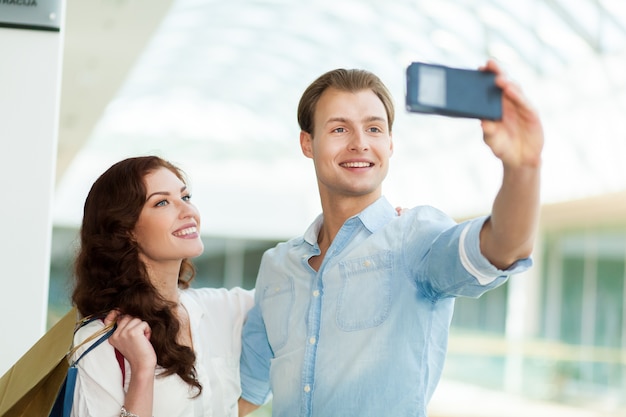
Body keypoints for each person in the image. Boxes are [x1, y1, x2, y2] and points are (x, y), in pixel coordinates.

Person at [238, 59, 543, 417]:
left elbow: (502, 248)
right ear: (308, 142)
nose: (360, 144)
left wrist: (522, 166)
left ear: (391, 143)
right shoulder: (277, 266)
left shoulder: (416, 237)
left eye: (374, 129)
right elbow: (245, 395)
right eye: (339, 129)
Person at [70, 156, 254, 417]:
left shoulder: (222, 309)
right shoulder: (103, 339)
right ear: (126, 230)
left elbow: (302, 296)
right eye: (162, 202)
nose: (188, 211)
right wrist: (143, 371)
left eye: (186, 197)